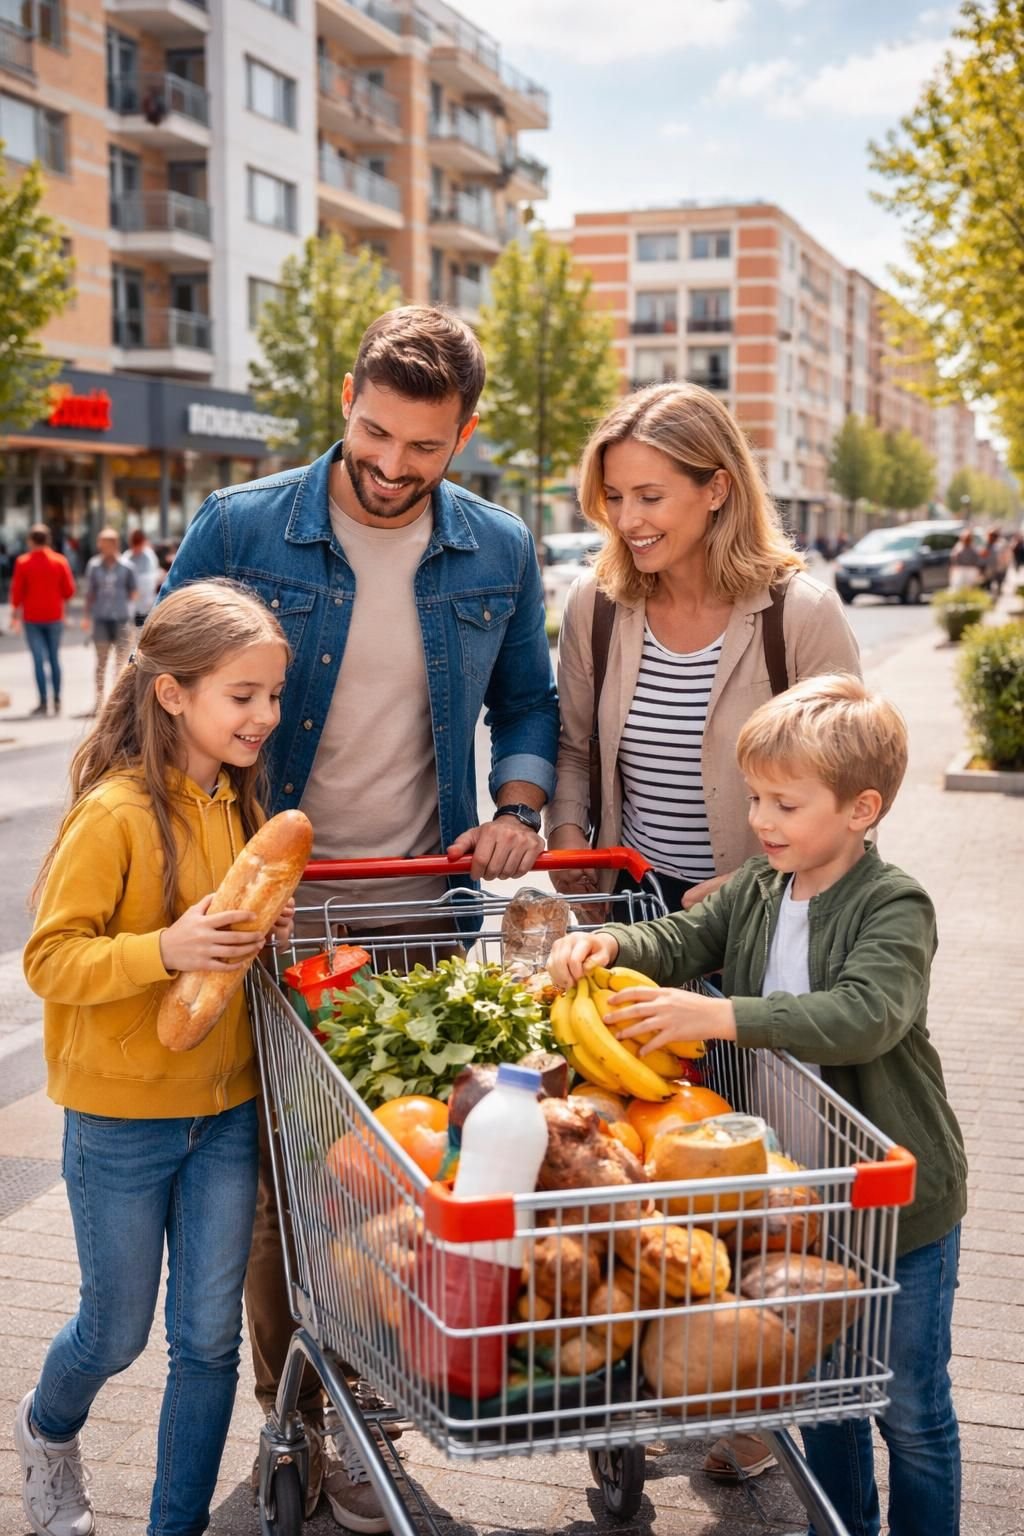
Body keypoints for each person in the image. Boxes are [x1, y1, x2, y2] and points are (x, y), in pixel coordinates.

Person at [162, 304, 559, 1530]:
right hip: (278, 921)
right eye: (376, 435)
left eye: (424, 450)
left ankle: (376, 1398)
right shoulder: (240, 525)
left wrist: (518, 802)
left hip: (420, 917)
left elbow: (529, 704)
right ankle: (307, 1418)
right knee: (290, 1182)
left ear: (465, 435)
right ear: (345, 396)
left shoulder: (498, 549)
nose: (391, 469)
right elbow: (159, 702)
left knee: (398, 1176)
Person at [548, 673, 967, 1536]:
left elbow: (865, 1016)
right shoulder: (757, 887)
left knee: (910, 1408)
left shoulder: (893, 903)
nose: (762, 821)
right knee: (827, 1404)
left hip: (898, 1203)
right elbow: (679, 938)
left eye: (785, 802)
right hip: (794, 1202)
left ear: (861, 809)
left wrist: (721, 1015)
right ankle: (838, 1526)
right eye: (756, 799)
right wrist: (610, 939)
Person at [15, 581, 295, 1536]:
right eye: (242, 696)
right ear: (173, 693)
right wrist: (162, 950)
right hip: (119, 1121)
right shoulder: (117, 813)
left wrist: (263, 933)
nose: (263, 716)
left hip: (223, 1113)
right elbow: (50, 959)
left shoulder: (244, 806)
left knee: (207, 1342)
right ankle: (49, 1431)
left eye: (271, 696)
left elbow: (226, 958)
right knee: (115, 1330)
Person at [546, 381, 860, 918]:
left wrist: (754, 883)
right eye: (615, 498)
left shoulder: (802, 614)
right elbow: (575, 748)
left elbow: (853, 789)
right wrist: (570, 838)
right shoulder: (593, 605)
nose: (626, 521)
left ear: (716, 489)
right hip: (633, 910)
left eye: (649, 497)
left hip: (769, 913)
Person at [9, 524, 76, 716]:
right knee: (54, 658)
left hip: (32, 618)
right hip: (55, 616)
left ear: (31, 541)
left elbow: (17, 592)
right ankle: (57, 700)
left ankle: (43, 702)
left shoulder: (23, 562)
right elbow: (69, 591)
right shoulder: (59, 561)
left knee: (38, 660)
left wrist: (14, 615)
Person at [83, 527, 136, 711]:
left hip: (121, 619)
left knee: (122, 663)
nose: (102, 547)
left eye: (105, 544)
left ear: (114, 544)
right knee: (101, 661)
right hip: (101, 619)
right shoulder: (94, 566)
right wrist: (86, 616)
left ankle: (117, 703)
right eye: (100, 543)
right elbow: (90, 593)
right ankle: (99, 701)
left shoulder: (127, 567)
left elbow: (134, 591)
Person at [127, 526, 161, 627]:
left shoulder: (149, 557)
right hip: (132, 604)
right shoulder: (127, 557)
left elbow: (151, 580)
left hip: (147, 603)